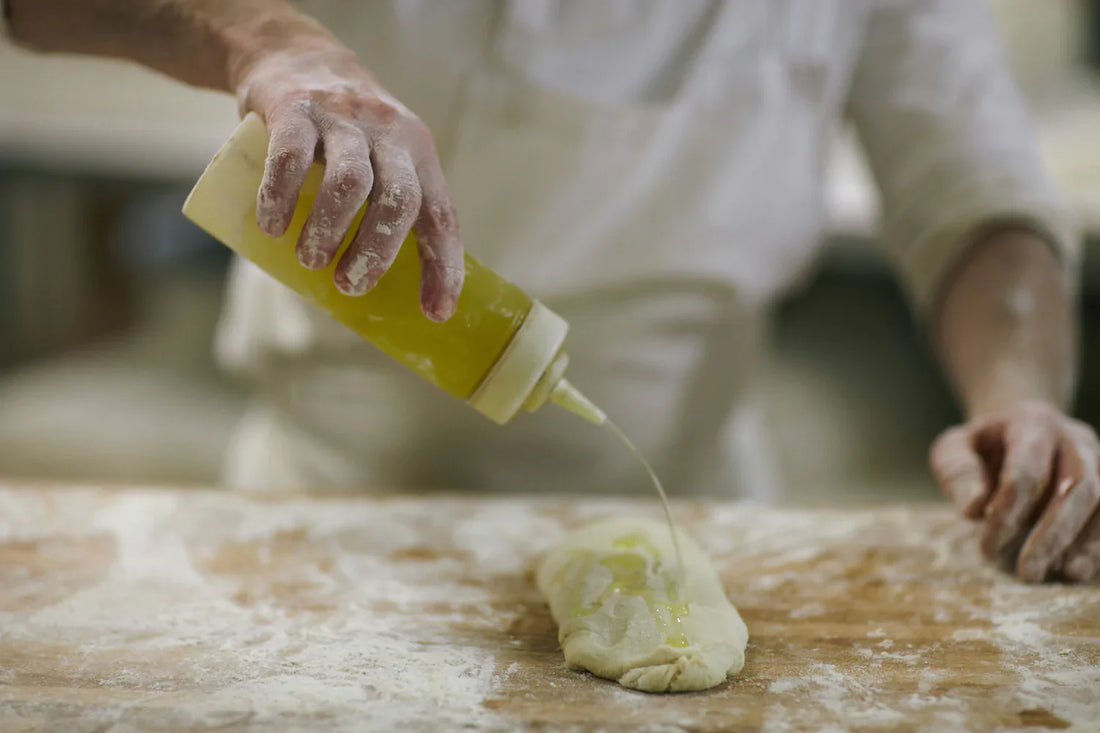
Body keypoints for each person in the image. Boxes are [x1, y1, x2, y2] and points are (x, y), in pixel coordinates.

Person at [5, 0, 1098, 584]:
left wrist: (1016, 391)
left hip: (697, 518)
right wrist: (263, 38)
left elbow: (973, 189)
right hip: (325, 515)